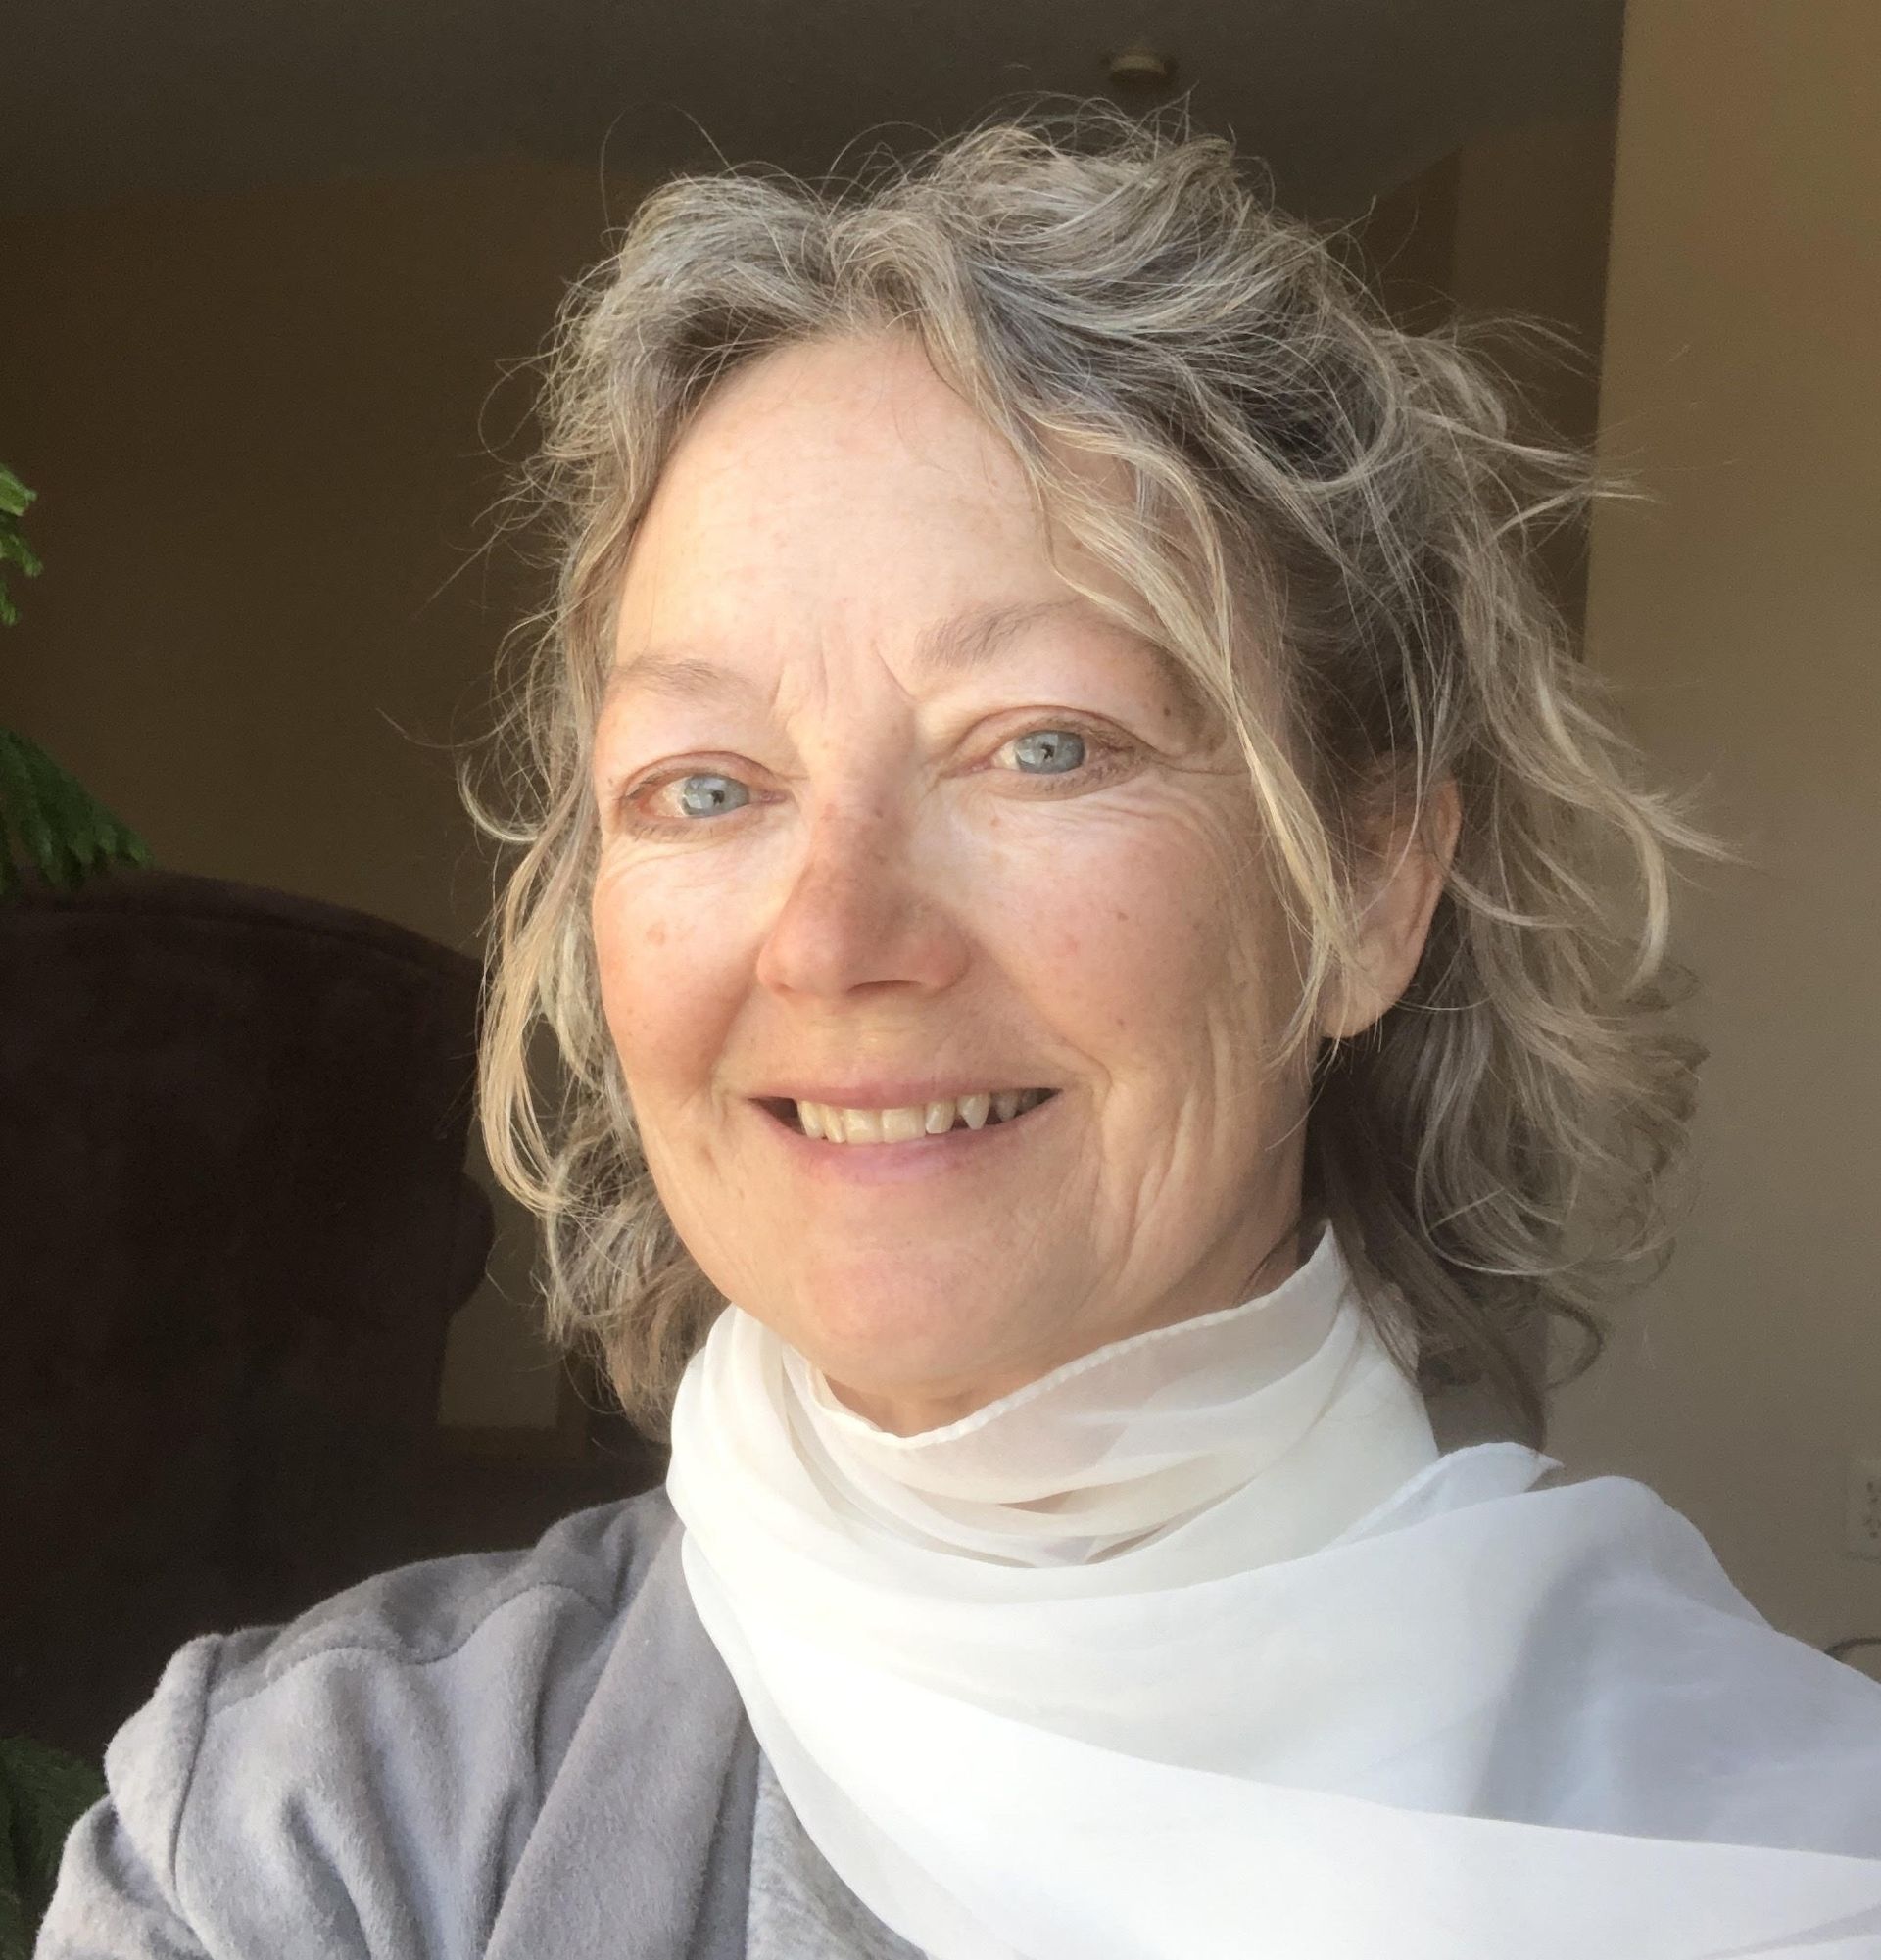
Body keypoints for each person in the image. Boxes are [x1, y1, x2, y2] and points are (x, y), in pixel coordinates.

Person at [37, 106, 1881, 1960]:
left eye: (1044, 746)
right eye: (706, 784)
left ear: (1373, 884)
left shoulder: (1790, 1858)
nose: (836, 938)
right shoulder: (312, 1822)